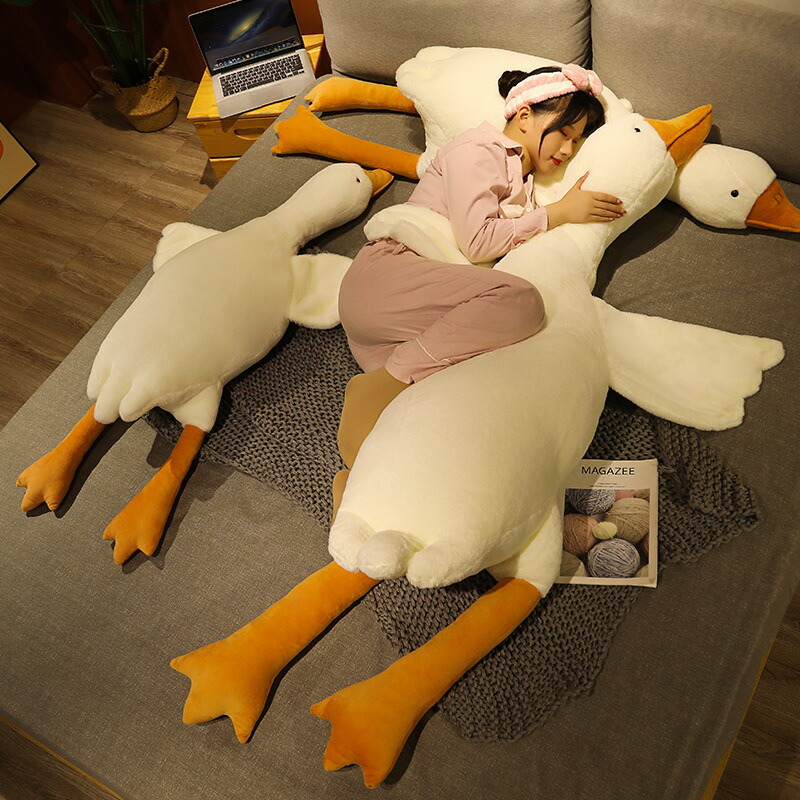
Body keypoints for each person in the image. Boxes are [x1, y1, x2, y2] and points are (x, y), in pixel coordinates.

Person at [335, 63, 626, 473]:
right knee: (520, 300)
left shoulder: (525, 184)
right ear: (524, 115)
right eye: (564, 132)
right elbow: (477, 242)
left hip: (405, 327)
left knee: (450, 431)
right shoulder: (478, 149)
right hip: (386, 278)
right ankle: (384, 382)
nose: (568, 150)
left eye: (577, 142)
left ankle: (356, 483)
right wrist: (558, 213)